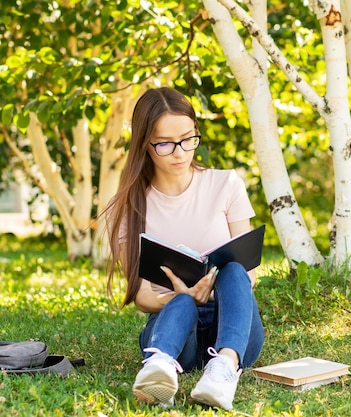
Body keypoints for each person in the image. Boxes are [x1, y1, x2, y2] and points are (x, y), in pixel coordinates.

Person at [105, 87, 264, 410]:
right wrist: (184, 295)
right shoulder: (129, 207)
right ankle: (159, 366)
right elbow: (142, 296)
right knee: (182, 303)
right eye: (165, 144)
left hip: (234, 325)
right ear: (144, 145)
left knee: (233, 269)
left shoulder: (226, 184)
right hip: (176, 327)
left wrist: (214, 288)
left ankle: (224, 366)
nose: (180, 153)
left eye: (188, 139)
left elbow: (250, 274)